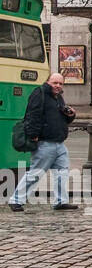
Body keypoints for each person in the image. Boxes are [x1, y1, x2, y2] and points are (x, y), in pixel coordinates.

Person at [9, 73, 78, 212]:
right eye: (55, 83)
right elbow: (32, 115)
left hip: (59, 143)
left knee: (62, 174)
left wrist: (71, 116)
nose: (58, 86)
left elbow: (60, 118)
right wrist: (33, 135)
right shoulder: (39, 93)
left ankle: (61, 201)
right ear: (48, 82)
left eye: (60, 83)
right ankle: (16, 200)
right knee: (35, 173)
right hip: (45, 143)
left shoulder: (58, 97)